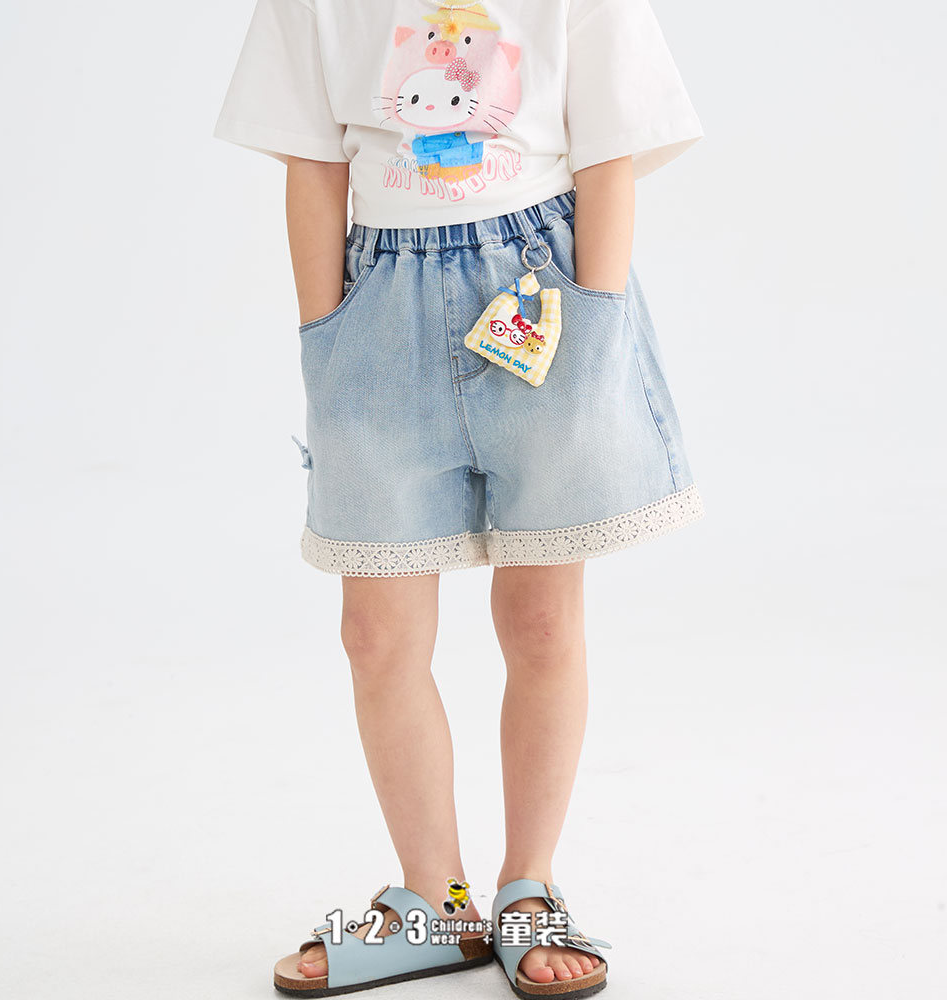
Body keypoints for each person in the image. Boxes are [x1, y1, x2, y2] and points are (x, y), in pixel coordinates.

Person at [213, 1, 706, 995]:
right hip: (376, 301)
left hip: (541, 284)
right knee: (374, 632)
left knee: (540, 617)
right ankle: (435, 900)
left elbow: (610, 151)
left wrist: (596, 318)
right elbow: (313, 164)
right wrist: (327, 338)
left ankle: (529, 886)